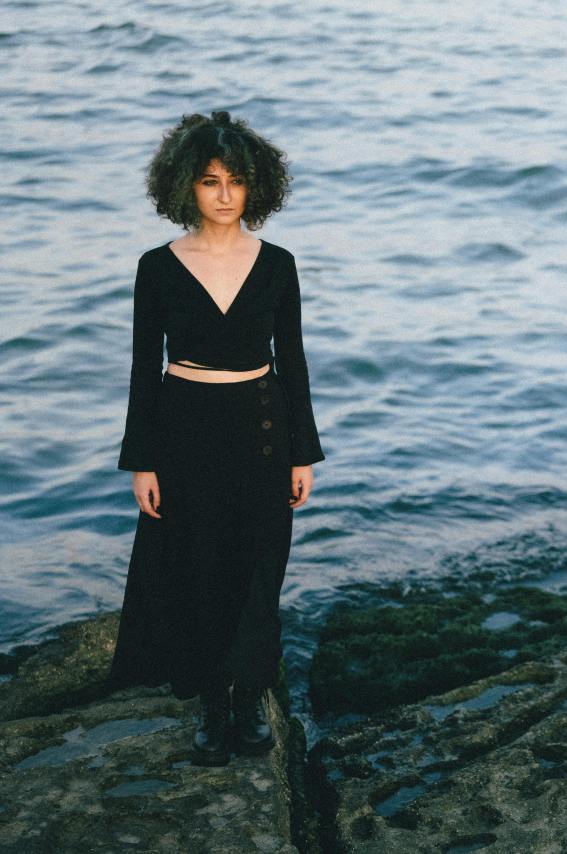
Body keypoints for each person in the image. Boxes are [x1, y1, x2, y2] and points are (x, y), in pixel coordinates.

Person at [110, 110, 326, 767]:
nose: (225, 195)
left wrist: (303, 453)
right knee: (197, 570)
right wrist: (142, 461)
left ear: (256, 186)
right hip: (184, 431)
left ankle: (250, 697)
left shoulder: (278, 264)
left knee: (260, 569)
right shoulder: (158, 267)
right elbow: (142, 368)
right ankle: (212, 704)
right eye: (210, 181)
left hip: (262, 427)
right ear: (186, 187)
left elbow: (293, 360)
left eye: (236, 181)